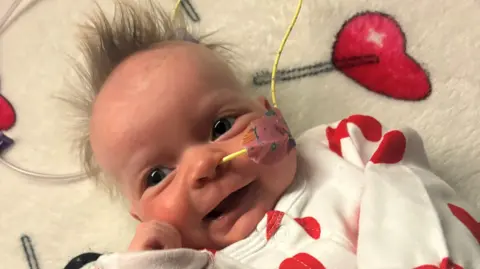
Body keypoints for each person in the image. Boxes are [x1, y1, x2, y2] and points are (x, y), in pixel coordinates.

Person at [68, 1, 480, 268]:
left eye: (220, 127)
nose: (202, 165)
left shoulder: (342, 153)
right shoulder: (187, 262)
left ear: (273, 115)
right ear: (141, 219)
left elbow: (415, 200)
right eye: (157, 176)